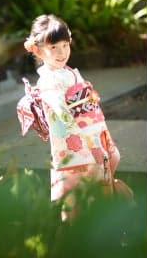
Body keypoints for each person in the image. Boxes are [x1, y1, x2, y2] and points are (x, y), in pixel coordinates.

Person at [23, 14, 121, 219]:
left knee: (104, 170)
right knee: (73, 189)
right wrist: (84, 132)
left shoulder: (70, 72)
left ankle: (105, 221)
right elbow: (62, 112)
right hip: (72, 139)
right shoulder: (48, 80)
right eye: (54, 47)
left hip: (92, 131)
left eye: (65, 45)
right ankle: (74, 229)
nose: (62, 52)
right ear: (38, 50)